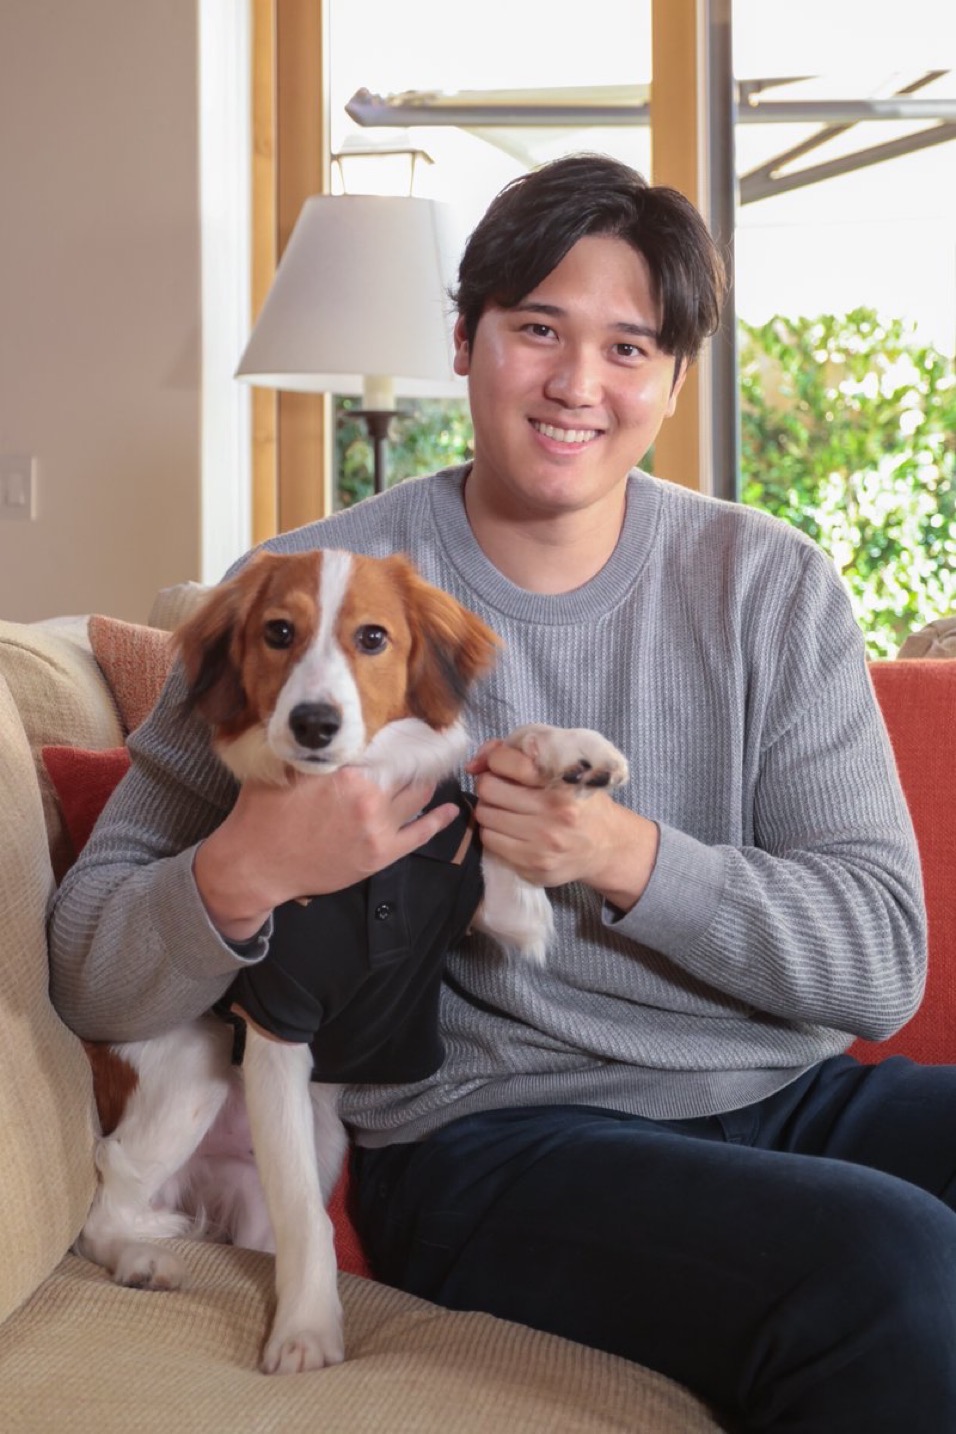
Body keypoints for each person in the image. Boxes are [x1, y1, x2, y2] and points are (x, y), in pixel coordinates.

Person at [49, 154, 956, 1431]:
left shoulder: (769, 585)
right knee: (887, 1259)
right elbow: (88, 965)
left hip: (781, 1089)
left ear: (673, 380)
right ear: (465, 341)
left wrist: (626, 855)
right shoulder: (296, 602)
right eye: (538, 329)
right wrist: (248, 865)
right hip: (493, 1139)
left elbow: (879, 964)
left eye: (629, 347)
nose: (578, 384)